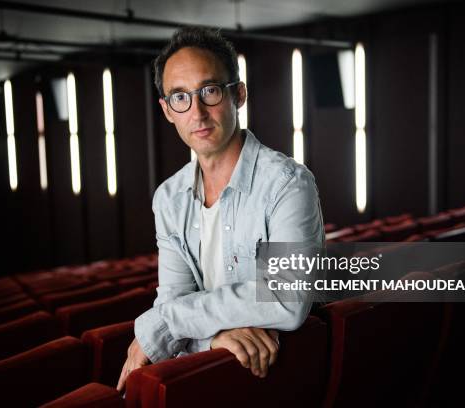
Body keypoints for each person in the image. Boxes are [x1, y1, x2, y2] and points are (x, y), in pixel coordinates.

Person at [117, 27, 325, 391]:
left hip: (283, 378)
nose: (196, 112)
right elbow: (173, 303)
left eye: (209, 91)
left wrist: (166, 325)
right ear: (167, 110)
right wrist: (211, 339)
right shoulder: (168, 198)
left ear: (238, 95)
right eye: (180, 97)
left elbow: (287, 298)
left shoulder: (288, 183)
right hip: (210, 377)